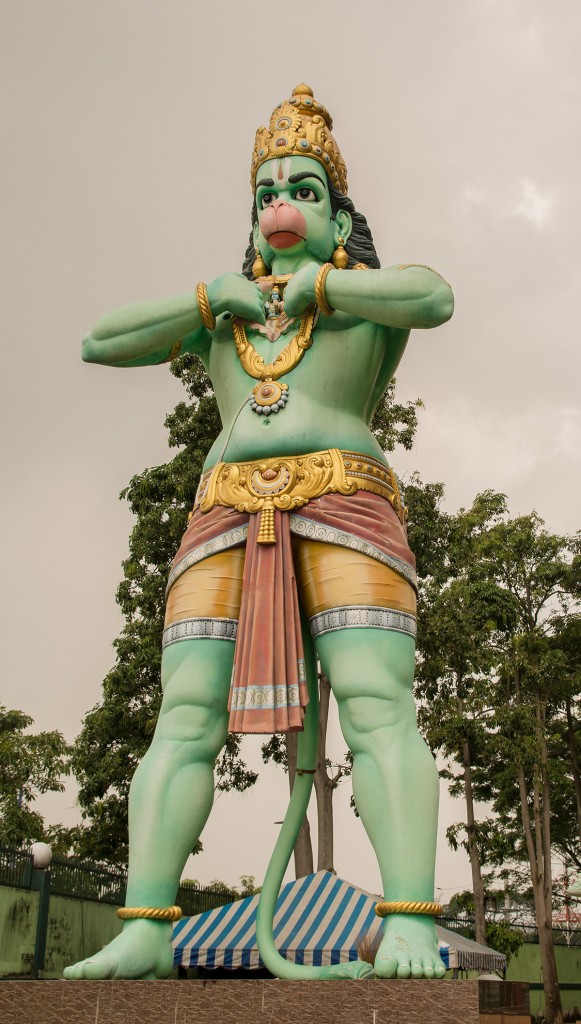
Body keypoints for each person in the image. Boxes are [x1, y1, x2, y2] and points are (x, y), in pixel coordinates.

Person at [64, 84, 454, 981]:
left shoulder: (360, 302)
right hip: (222, 514)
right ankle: (146, 927)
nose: (281, 202)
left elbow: (434, 297)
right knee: (184, 715)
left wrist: (323, 281)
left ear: (338, 218)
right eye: (267, 192)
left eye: (304, 190)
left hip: (345, 500)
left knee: (376, 704)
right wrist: (212, 300)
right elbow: (98, 342)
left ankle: (405, 919)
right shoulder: (224, 319)